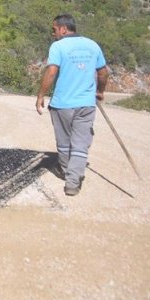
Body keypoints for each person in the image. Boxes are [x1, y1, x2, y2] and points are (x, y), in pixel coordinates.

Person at [36, 14, 108, 196]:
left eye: (54, 30)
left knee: (64, 143)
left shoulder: (58, 46)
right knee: (80, 144)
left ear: (63, 29)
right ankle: (73, 182)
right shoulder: (93, 45)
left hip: (63, 104)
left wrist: (40, 95)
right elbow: (103, 72)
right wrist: (100, 91)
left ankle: (66, 170)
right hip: (86, 104)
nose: (53, 33)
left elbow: (52, 72)